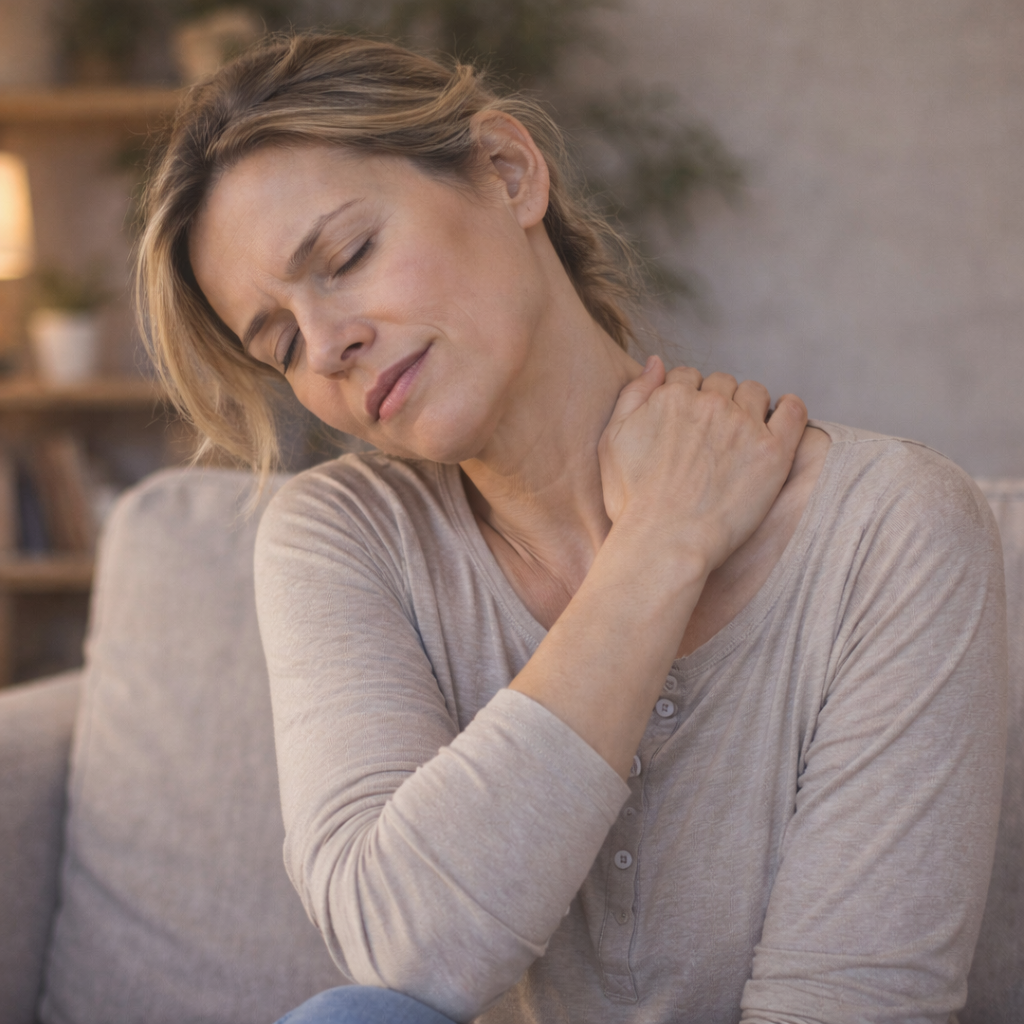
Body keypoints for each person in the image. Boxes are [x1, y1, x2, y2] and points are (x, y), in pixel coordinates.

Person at [137, 32, 1008, 1024]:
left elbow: (857, 1006)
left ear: (508, 172)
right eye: (282, 341)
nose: (330, 343)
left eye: (347, 255)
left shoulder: (892, 528)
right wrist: (657, 548)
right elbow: (406, 954)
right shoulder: (344, 537)